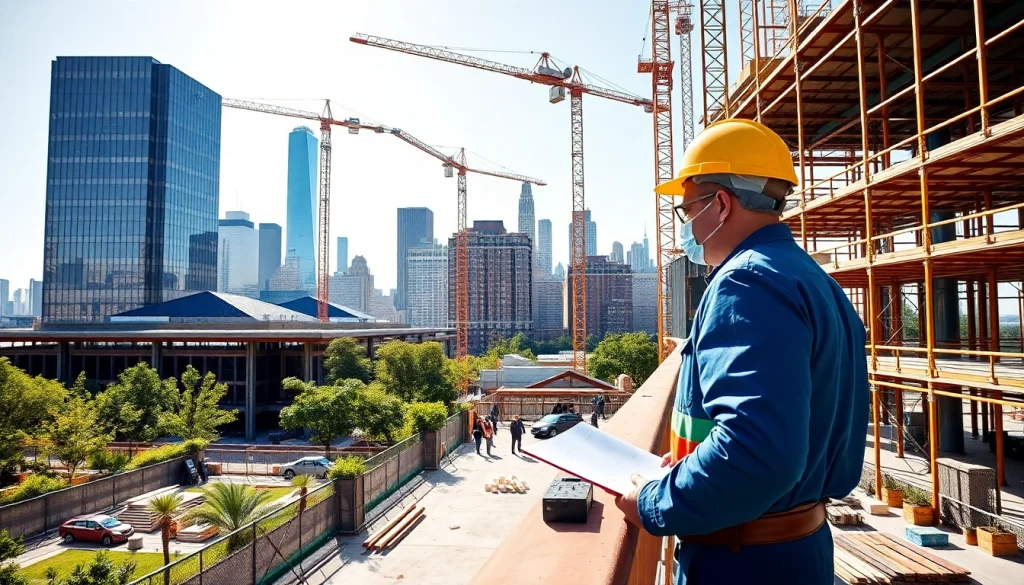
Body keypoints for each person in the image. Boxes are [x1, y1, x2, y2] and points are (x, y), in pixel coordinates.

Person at [614, 118, 867, 585]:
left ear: (722, 204)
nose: (687, 225)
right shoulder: (813, 279)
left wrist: (654, 502)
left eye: (687, 209)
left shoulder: (747, 282)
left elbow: (757, 452)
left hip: (744, 561)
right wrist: (692, 466)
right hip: (797, 548)